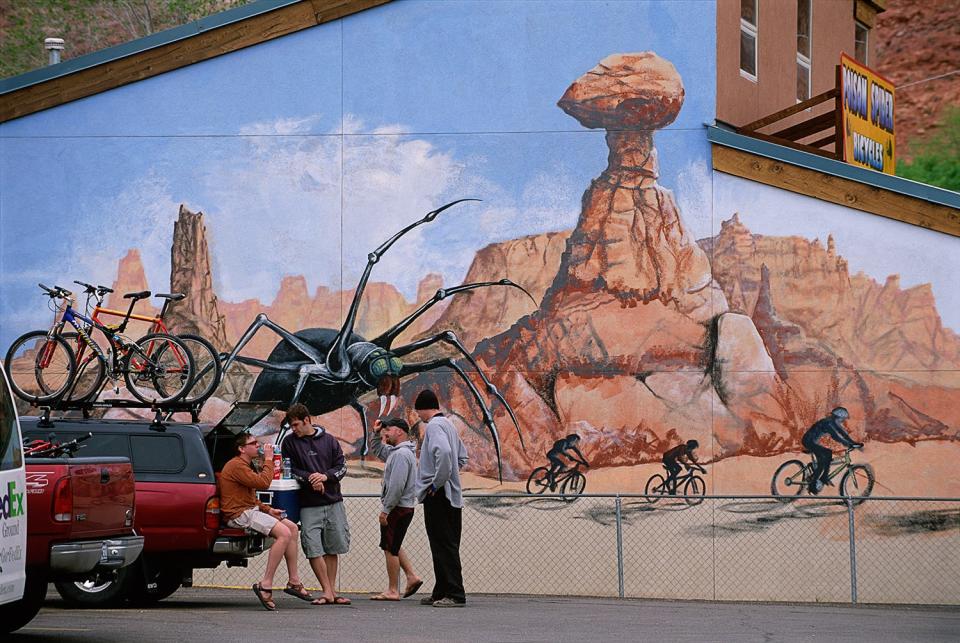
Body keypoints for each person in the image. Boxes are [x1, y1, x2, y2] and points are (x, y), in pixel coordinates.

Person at [219, 432, 316, 610]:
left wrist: (269, 510)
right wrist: (269, 459)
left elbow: (250, 497)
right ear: (242, 449)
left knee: (292, 528)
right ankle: (265, 584)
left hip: (249, 510)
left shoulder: (245, 465)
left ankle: (294, 581)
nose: (258, 445)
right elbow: (263, 483)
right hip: (239, 515)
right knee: (284, 534)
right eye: (253, 443)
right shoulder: (236, 466)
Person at [280, 403, 352, 605]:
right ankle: (327, 591)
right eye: (291, 426)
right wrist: (311, 478)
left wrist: (325, 477)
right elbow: (290, 469)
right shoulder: (289, 443)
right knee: (313, 548)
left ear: (307, 420)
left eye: (296, 424)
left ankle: (332, 592)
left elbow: (341, 467)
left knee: (332, 547)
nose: (294, 429)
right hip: (308, 504)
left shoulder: (329, 441)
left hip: (333, 501)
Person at [414, 389, 468, 607]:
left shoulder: (434, 426)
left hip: (439, 494)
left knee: (442, 544)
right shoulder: (449, 425)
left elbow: (444, 454)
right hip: (452, 494)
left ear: (423, 408)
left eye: (418, 411)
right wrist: (452, 473)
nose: (418, 416)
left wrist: (437, 482)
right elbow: (461, 456)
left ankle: (454, 593)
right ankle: (441, 590)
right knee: (447, 543)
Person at [368, 417, 423, 601]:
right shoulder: (397, 452)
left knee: (389, 547)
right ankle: (411, 577)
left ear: (399, 431)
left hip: (398, 508)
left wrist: (386, 509)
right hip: (401, 507)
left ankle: (393, 590)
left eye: (388, 430)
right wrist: (375, 434)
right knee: (394, 543)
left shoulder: (400, 455)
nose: (385, 433)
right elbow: (377, 450)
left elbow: (396, 486)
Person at [802, 407, 863, 494]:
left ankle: (824, 477)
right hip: (808, 441)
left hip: (812, 441)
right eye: (842, 419)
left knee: (828, 454)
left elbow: (843, 434)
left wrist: (853, 442)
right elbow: (836, 436)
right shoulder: (827, 423)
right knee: (822, 461)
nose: (843, 421)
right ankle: (813, 486)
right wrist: (848, 444)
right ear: (838, 417)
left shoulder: (832, 422)